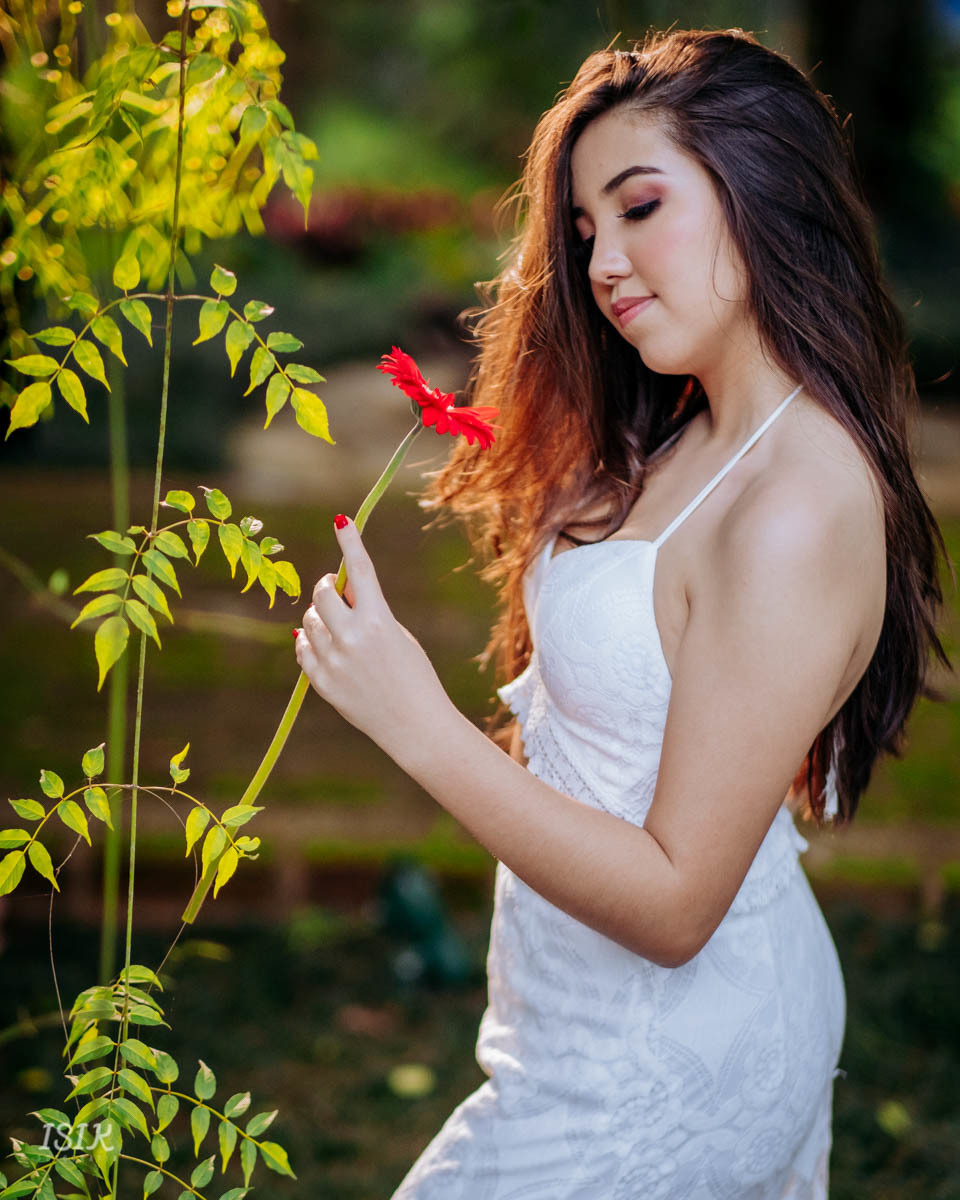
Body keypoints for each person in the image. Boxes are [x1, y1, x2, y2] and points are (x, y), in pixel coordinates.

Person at [294, 27, 954, 1199]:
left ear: (767, 192)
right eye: (587, 229)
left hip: (674, 1058)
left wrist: (416, 722)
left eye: (641, 206)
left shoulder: (800, 497)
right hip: (572, 1033)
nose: (602, 262)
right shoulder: (689, 430)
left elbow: (674, 902)